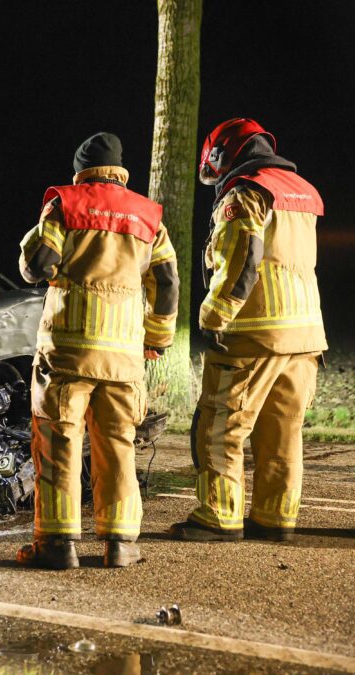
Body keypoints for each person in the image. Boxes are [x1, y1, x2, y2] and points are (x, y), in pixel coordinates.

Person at [16, 132, 179, 569]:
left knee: (58, 443)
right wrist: (156, 339)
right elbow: (166, 283)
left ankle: (57, 546)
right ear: (120, 169)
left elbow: (36, 266)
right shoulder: (148, 216)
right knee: (118, 446)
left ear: (80, 170)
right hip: (124, 356)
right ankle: (120, 544)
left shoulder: (65, 205)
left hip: (68, 352)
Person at [170, 119, 326, 542]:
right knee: (282, 431)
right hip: (306, 334)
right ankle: (276, 520)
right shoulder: (301, 190)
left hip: (253, 332)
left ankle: (218, 517)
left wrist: (214, 316)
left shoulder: (246, 192)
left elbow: (243, 256)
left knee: (221, 425)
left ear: (222, 156)